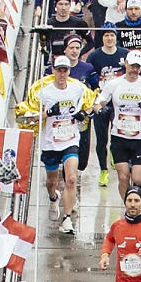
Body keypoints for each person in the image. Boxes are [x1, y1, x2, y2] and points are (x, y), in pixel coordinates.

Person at [19, 53, 93, 234]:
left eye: (65, 70)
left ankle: (66, 219)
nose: (62, 74)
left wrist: (84, 113)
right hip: (51, 142)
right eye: (59, 70)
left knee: (71, 178)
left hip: (70, 139)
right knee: (51, 181)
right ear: (53, 71)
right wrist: (48, 113)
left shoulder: (78, 89)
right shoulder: (42, 91)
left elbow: (92, 104)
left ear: (69, 71)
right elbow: (26, 117)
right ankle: (53, 198)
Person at [101, 50, 141, 198]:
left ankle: (136, 200)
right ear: (125, 64)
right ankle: (128, 206)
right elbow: (99, 102)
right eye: (132, 66)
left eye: (137, 67)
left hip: (139, 137)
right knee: (123, 176)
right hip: (119, 136)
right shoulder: (114, 83)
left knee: (138, 179)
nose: (134, 70)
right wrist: (102, 109)